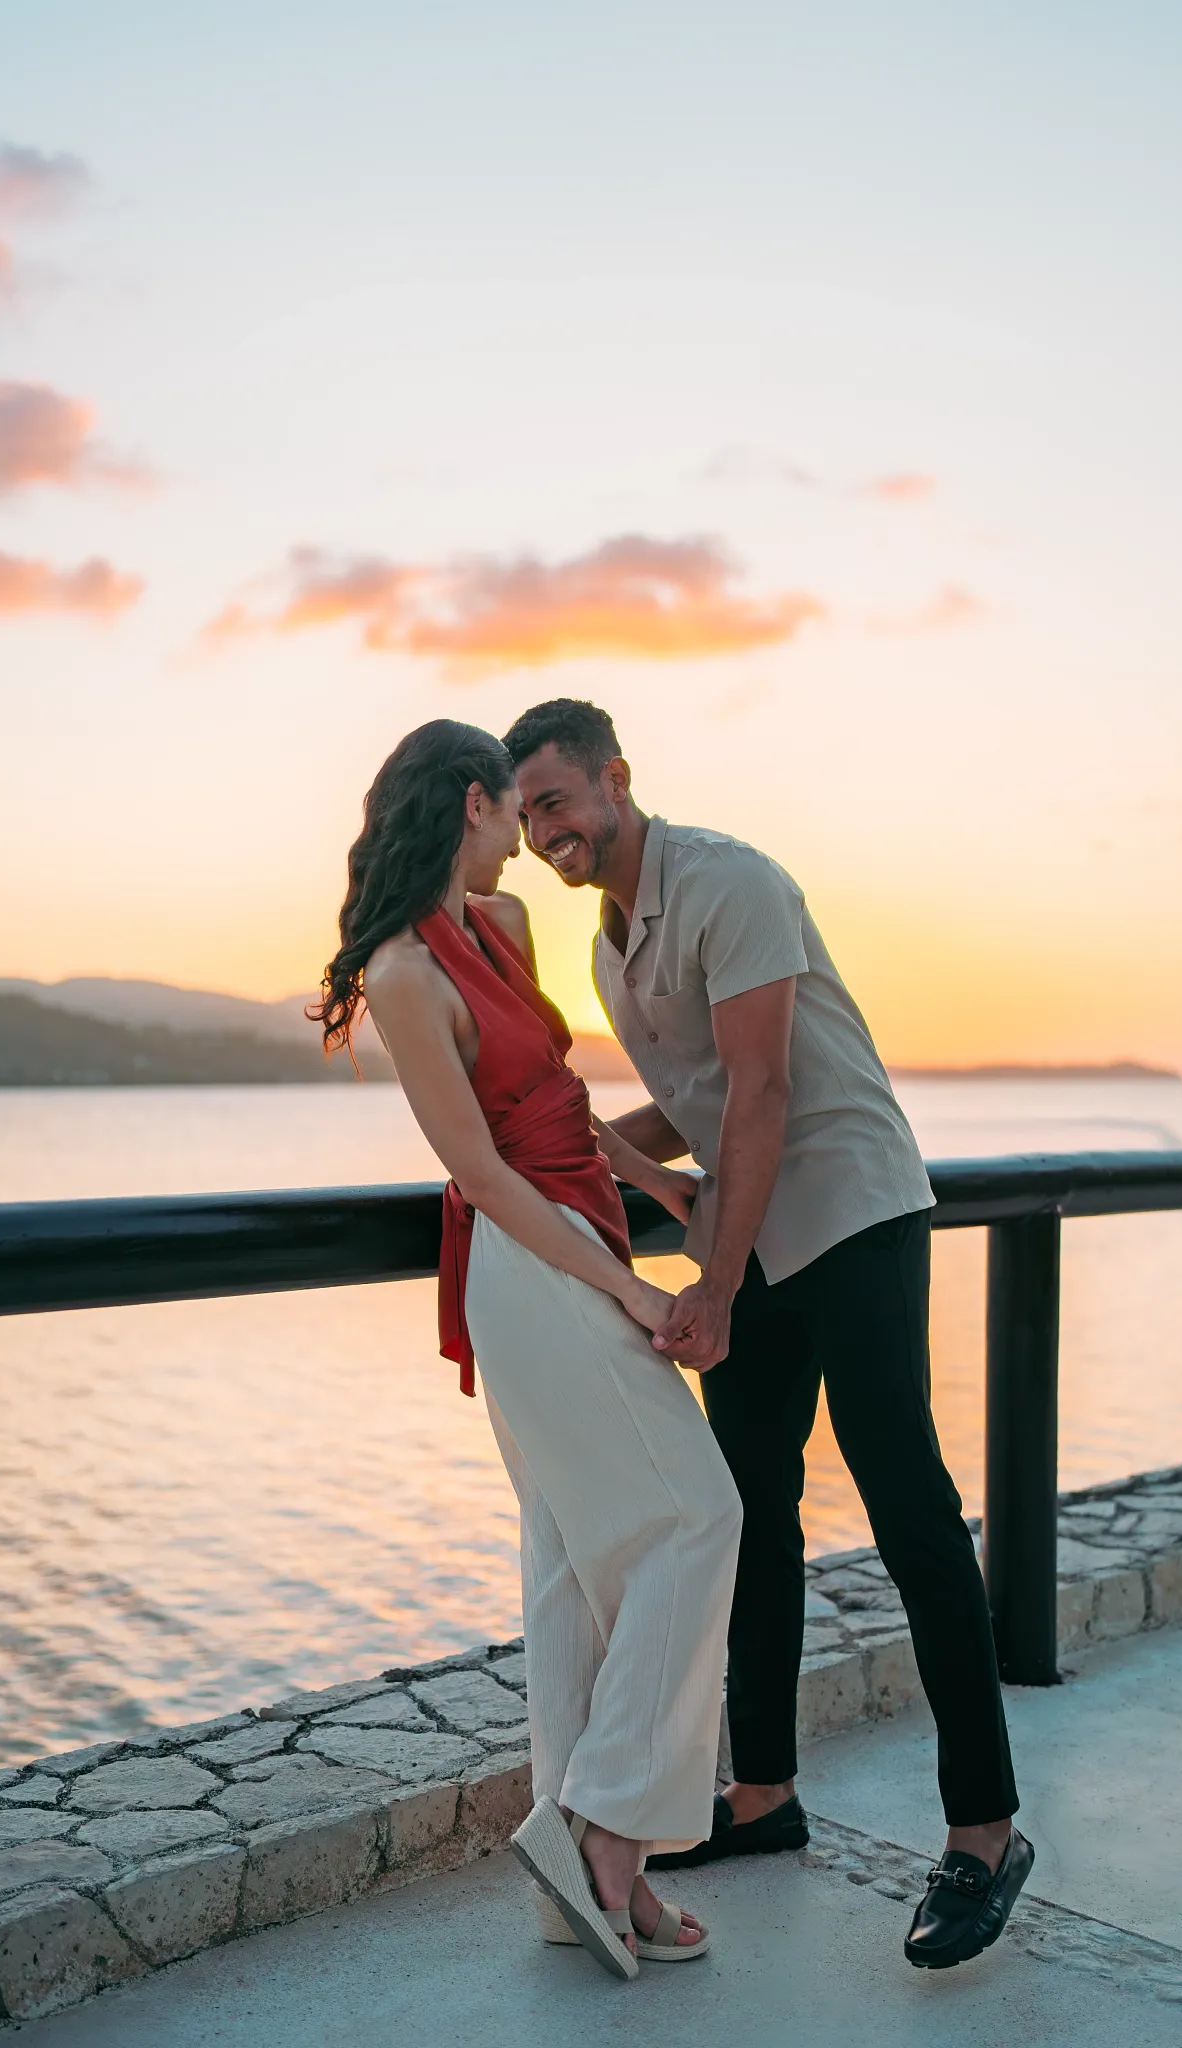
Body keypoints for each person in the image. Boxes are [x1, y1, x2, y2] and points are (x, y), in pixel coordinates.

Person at [501, 697, 1034, 1972]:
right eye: (524, 816)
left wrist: (717, 1279)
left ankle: (986, 1831)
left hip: (847, 1212)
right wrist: (580, 1142)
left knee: (908, 1505)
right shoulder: (606, 948)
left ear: (617, 779)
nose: (543, 832)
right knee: (748, 1514)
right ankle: (763, 1796)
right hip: (748, 1232)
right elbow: (698, 1104)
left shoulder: (731, 882)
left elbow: (766, 1086)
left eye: (558, 801)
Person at [312, 718, 742, 1981]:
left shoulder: (501, 930)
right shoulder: (400, 972)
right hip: (532, 1265)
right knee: (698, 1515)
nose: (527, 840)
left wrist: (656, 1186)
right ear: (471, 801)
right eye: (513, 810)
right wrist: (628, 1286)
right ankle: (606, 1829)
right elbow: (485, 1175)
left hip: (584, 1227)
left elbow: (554, 1103)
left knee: (569, 1562)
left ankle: (582, 1884)